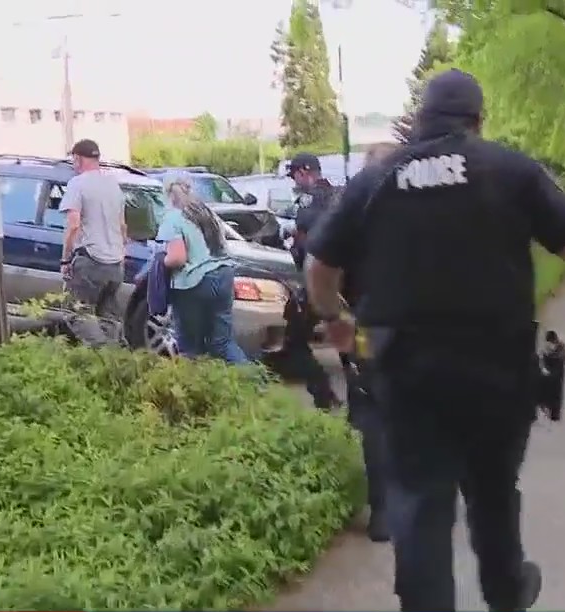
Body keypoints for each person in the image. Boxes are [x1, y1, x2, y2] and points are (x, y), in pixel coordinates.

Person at [303, 69, 565, 612]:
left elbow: (319, 269)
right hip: (498, 370)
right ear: (478, 120)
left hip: (406, 373)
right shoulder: (510, 170)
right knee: (493, 487)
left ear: (421, 118)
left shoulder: (376, 180)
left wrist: (337, 320)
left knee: (418, 505)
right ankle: (503, 587)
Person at [343, 142, 400, 543]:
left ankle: (382, 512)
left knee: (373, 416)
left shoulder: (353, 214)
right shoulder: (424, 209)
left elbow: (329, 270)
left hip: (368, 327)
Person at [262, 152, 341, 409]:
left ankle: (324, 397)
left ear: (304, 172)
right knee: (347, 341)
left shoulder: (310, 201)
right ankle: (358, 396)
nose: (295, 181)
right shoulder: (339, 195)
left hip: (318, 283)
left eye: (296, 175)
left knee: (294, 344)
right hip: (346, 284)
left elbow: (307, 236)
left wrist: (288, 235)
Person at [158, 176, 248, 364]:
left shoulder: (173, 217)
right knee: (222, 342)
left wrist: (161, 262)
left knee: (190, 346)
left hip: (194, 282)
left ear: (169, 195)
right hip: (224, 275)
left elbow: (178, 258)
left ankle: (195, 387)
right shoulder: (206, 212)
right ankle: (257, 384)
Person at [59, 139, 126, 346]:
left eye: (73, 159)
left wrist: (65, 259)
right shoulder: (114, 184)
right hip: (115, 263)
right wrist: (121, 253)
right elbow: (123, 225)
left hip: (91, 260)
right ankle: (115, 364)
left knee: (76, 311)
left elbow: (73, 225)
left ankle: (102, 353)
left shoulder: (77, 184)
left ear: (78, 159)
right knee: (108, 317)